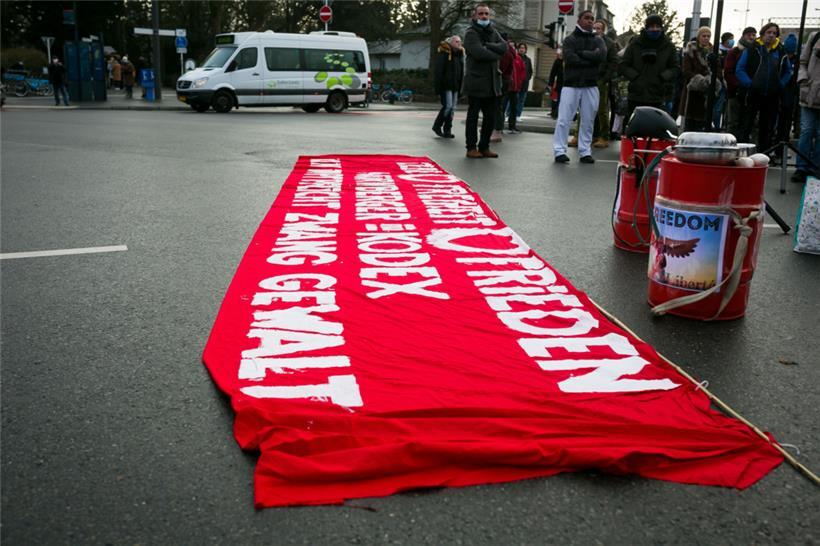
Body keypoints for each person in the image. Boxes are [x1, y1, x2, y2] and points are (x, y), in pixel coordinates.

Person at [553, 9, 606, 164]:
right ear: (579, 20)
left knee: (588, 120)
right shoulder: (570, 39)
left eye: (592, 18)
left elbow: (601, 57)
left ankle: (585, 151)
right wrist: (591, 59)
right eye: (586, 18)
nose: (590, 21)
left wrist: (581, 53)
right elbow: (570, 59)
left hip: (590, 84)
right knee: (564, 119)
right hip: (571, 84)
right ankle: (559, 151)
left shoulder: (598, 40)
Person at [736, 23, 792, 155]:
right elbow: (740, 69)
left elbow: (788, 71)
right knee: (746, 125)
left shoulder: (780, 51)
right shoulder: (752, 48)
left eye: (774, 33)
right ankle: (741, 154)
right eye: (769, 32)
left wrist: (780, 84)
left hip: (772, 95)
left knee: (767, 128)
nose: (771, 35)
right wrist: (749, 84)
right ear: (762, 34)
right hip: (753, 93)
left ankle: (764, 155)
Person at [462, 3, 507, 158]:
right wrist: (496, 54)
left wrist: (488, 45)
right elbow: (479, 53)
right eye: (481, 13)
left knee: (490, 117)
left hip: (492, 83)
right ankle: (471, 148)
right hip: (476, 82)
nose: (484, 16)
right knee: (473, 117)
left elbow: (504, 47)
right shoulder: (471, 33)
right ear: (475, 15)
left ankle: (484, 146)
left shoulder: (493, 31)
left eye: (486, 14)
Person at [618, 14, 679, 126]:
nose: (654, 29)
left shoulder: (668, 46)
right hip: (636, 94)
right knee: (633, 126)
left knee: (655, 127)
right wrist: (636, 77)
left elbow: (675, 67)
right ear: (646, 27)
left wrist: (662, 77)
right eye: (651, 26)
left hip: (657, 95)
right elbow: (623, 65)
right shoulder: (635, 44)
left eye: (657, 26)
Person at [793, 29, 820, 183]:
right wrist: (803, 81)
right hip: (809, 93)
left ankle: (815, 167)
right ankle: (801, 167)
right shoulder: (815, 36)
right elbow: (802, 62)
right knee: (807, 131)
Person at [724, 26, 757, 140]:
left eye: (754, 35)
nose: (752, 37)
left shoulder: (756, 52)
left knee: (748, 123)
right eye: (749, 35)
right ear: (743, 36)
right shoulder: (734, 52)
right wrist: (738, 85)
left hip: (751, 93)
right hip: (735, 92)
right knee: (733, 122)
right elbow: (728, 72)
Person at [681, 27, 713, 132]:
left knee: (703, 124)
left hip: (707, 92)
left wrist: (711, 80)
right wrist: (699, 80)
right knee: (689, 125)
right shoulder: (691, 50)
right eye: (704, 36)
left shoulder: (713, 52)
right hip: (692, 91)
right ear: (699, 37)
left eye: (708, 36)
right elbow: (686, 70)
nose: (706, 38)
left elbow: (717, 70)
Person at [432, 35, 464, 139]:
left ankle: (447, 130)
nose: (459, 43)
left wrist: (461, 87)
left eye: (460, 41)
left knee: (452, 108)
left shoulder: (459, 55)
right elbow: (438, 71)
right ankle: (437, 126)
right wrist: (438, 87)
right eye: (456, 41)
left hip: (455, 86)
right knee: (448, 106)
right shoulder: (444, 53)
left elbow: (461, 72)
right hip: (446, 86)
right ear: (451, 42)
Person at [491, 34, 517, 142]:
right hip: (506, 80)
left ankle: (496, 130)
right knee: (498, 106)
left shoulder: (505, 53)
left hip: (501, 80)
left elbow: (500, 68)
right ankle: (495, 129)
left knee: (496, 106)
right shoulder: (510, 52)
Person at [776, 34, 799, 144]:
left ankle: (783, 142)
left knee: (786, 120)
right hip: (779, 92)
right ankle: (776, 140)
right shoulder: (782, 58)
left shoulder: (797, 60)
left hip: (790, 94)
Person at [713, 32, 735, 130]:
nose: (732, 41)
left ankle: (723, 126)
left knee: (725, 108)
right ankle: (716, 127)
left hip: (728, 83)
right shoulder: (718, 51)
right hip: (720, 82)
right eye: (731, 39)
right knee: (718, 107)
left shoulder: (732, 51)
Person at [504, 40, 527, 134]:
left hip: (515, 88)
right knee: (502, 107)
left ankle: (512, 126)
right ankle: (498, 127)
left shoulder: (518, 59)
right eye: (510, 46)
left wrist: (520, 81)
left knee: (514, 108)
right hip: (505, 87)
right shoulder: (504, 57)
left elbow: (523, 71)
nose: (512, 48)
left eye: (513, 46)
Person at [514, 43, 533, 121]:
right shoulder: (515, 57)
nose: (522, 49)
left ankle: (518, 115)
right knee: (514, 100)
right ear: (518, 49)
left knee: (521, 100)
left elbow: (530, 71)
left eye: (523, 48)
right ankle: (508, 114)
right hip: (516, 83)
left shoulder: (528, 60)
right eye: (520, 48)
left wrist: (527, 78)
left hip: (525, 84)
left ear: (525, 50)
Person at [547, 48, 564, 120]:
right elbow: (553, 73)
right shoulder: (558, 61)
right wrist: (550, 84)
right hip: (560, 84)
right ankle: (557, 114)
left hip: (569, 84)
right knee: (560, 100)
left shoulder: (570, 60)